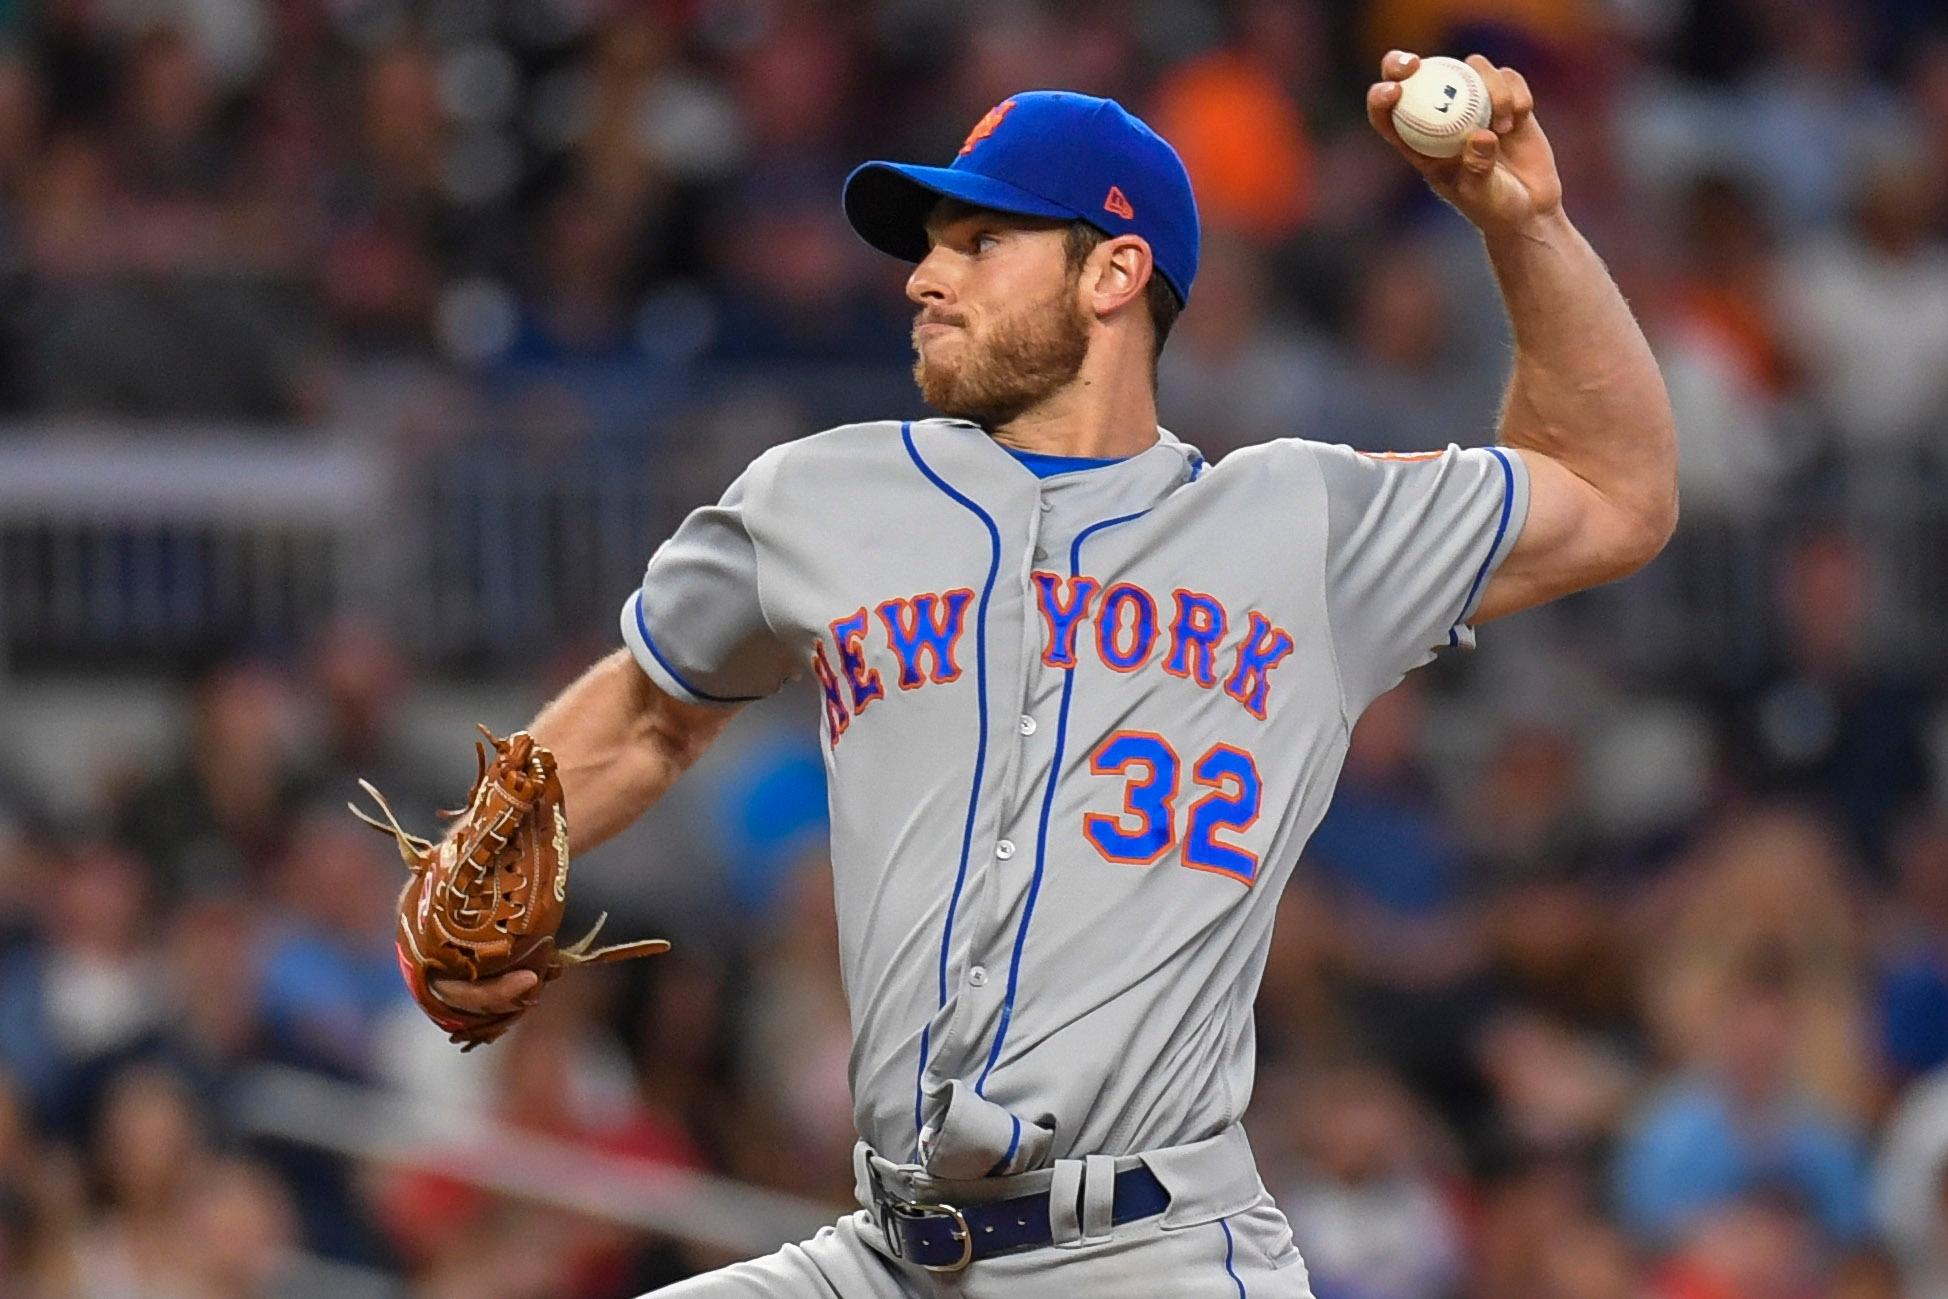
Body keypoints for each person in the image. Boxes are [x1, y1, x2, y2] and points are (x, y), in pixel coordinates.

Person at [425, 52, 1677, 1296]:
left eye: (978, 242)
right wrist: (487, 844)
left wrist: (1528, 226)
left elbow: (1615, 495)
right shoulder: (821, 496)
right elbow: (650, 712)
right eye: (929, 243)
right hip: (885, 1253)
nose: (924, 275)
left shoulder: (1305, 525)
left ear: (1114, 272)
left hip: (1151, 1255)